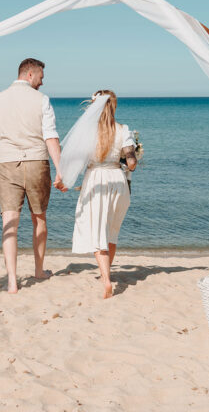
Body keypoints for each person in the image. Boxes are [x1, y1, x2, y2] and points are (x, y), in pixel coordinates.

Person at [0, 58, 64, 294]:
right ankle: (39, 271)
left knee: (9, 222)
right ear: (30, 74)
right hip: (37, 162)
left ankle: (12, 281)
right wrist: (61, 169)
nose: (42, 81)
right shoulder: (42, 100)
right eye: (41, 76)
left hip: (8, 162)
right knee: (39, 218)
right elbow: (50, 136)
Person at [54, 90, 137, 299]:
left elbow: (77, 161)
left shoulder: (88, 132)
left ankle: (107, 280)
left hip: (96, 180)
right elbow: (132, 163)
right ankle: (106, 274)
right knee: (111, 230)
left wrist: (65, 181)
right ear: (114, 107)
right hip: (117, 181)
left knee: (97, 232)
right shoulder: (123, 130)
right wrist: (132, 157)